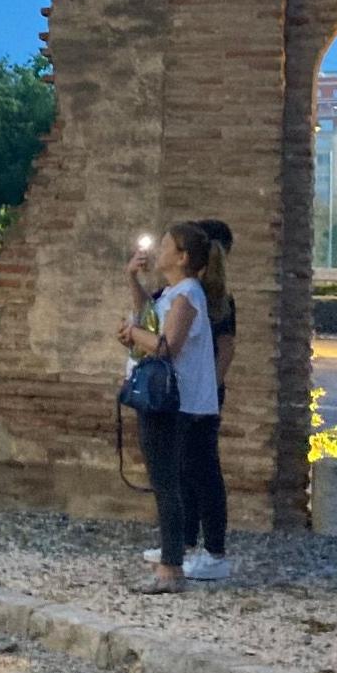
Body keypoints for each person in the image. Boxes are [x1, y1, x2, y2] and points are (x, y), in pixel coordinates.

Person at [119, 223, 231, 591]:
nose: (160, 249)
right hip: (165, 399)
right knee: (168, 480)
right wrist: (132, 279)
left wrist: (133, 334)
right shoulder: (174, 292)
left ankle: (171, 569)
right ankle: (173, 558)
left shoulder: (187, 295)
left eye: (165, 244)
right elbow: (149, 316)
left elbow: (168, 345)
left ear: (182, 257)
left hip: (169, 401)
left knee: (167, 482)